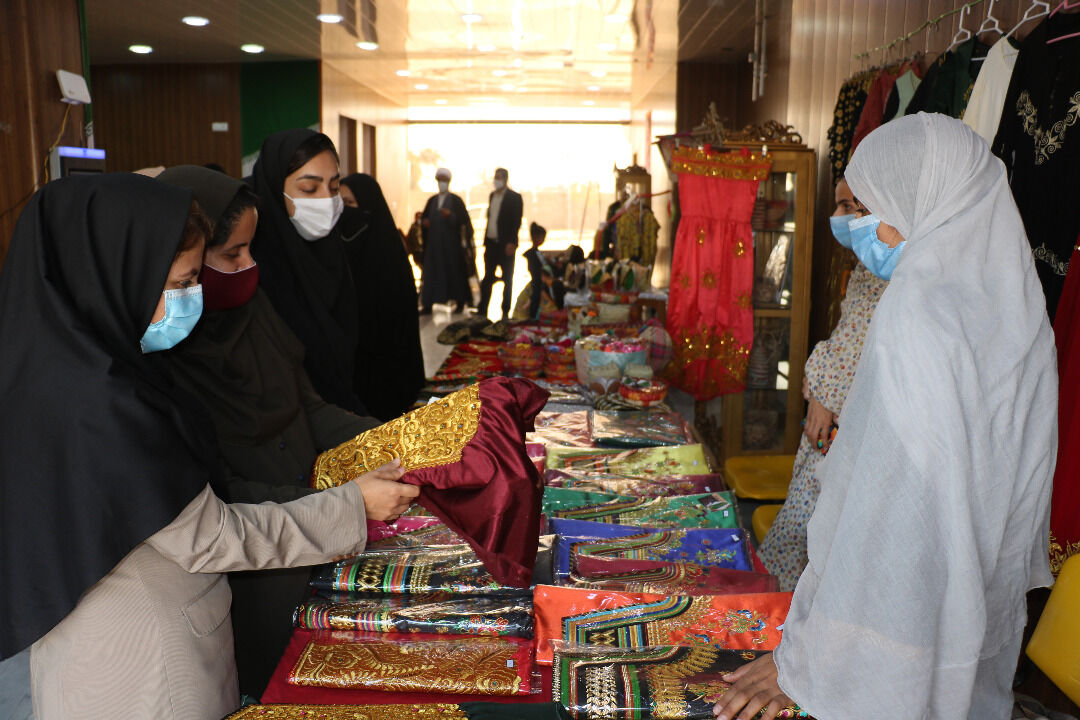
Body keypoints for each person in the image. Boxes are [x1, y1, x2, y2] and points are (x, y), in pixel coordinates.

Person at [0, 173, 419, 720]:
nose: (191, 300)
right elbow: (210, 538)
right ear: (115, 274)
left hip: (94, 652)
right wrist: (352, 505)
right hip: (152, 667)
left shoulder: (52, 372)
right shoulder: (104, 408)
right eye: (180, 282)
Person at [714, 114, 1056, 720]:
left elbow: (886, 519)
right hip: (959, 615)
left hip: (890, 627)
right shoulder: (1014, 307)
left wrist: (808, 657)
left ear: (920, 200)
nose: (861, 226)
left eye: (872, 205)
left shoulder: (918, 313)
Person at [154, 165, 387, 697]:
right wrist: (337, 505)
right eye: (232, 254)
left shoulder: (252, 311)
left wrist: (396, 437)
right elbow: (219, 501)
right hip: (249, 571)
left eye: (251, 249)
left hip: (316, 531)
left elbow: (307, 408)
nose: (249, 266)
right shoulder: (165, 358)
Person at [756, 178, 887, 591]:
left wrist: (823, 390)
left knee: (816, 539)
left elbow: (857, 348)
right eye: (840, 206)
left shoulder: (898, 274)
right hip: (834, 430)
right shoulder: (871, 268)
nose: (840, 218)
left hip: (853, 437)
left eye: (852, 206)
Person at [249, 128, 366, 415]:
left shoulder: (334, 254)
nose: (326, 200)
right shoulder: (254, 264)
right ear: (275, 188)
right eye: (309, 189)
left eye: (334, 187)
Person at [339, 173, 426, 421]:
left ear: (369, 207)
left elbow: (398, 331)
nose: (343, 213)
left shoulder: (389, 257)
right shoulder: (337, 253)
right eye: (339, 205)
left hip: (388, 378)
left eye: (350, 205)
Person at [419, 167, 474, 314]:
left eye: (444, 181)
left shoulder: (456, 201)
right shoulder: (432, 201)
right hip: (434, 246)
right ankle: (428, 304)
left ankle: (460, 302)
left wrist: (451, 216)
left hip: (451, 247)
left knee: (454, 273)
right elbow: (423, 218)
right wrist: (424, 222)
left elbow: (464, 221)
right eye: (440, 181)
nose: (441, 184)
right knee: (431, 274)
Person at [476, 167, 524, 319]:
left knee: (507, 278)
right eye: (495, 177)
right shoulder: (492, 196)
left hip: (506, 245)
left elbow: (516, 221)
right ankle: (483, 310)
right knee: (488, 277)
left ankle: (505, 311)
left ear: (505, 179)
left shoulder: (514, 197)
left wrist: (512, 242)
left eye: (499, 177)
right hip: (491, 243)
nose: (496, 180)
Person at [511, 222, 560, 321]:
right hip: (536, 281)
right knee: (535, 300)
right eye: (542, 237)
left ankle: (534, 317)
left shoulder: (537, 253)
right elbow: (535, 269)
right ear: (537, 237)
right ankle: (533, 318)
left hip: (538, 281)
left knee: (536, 300)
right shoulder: (533, 254)